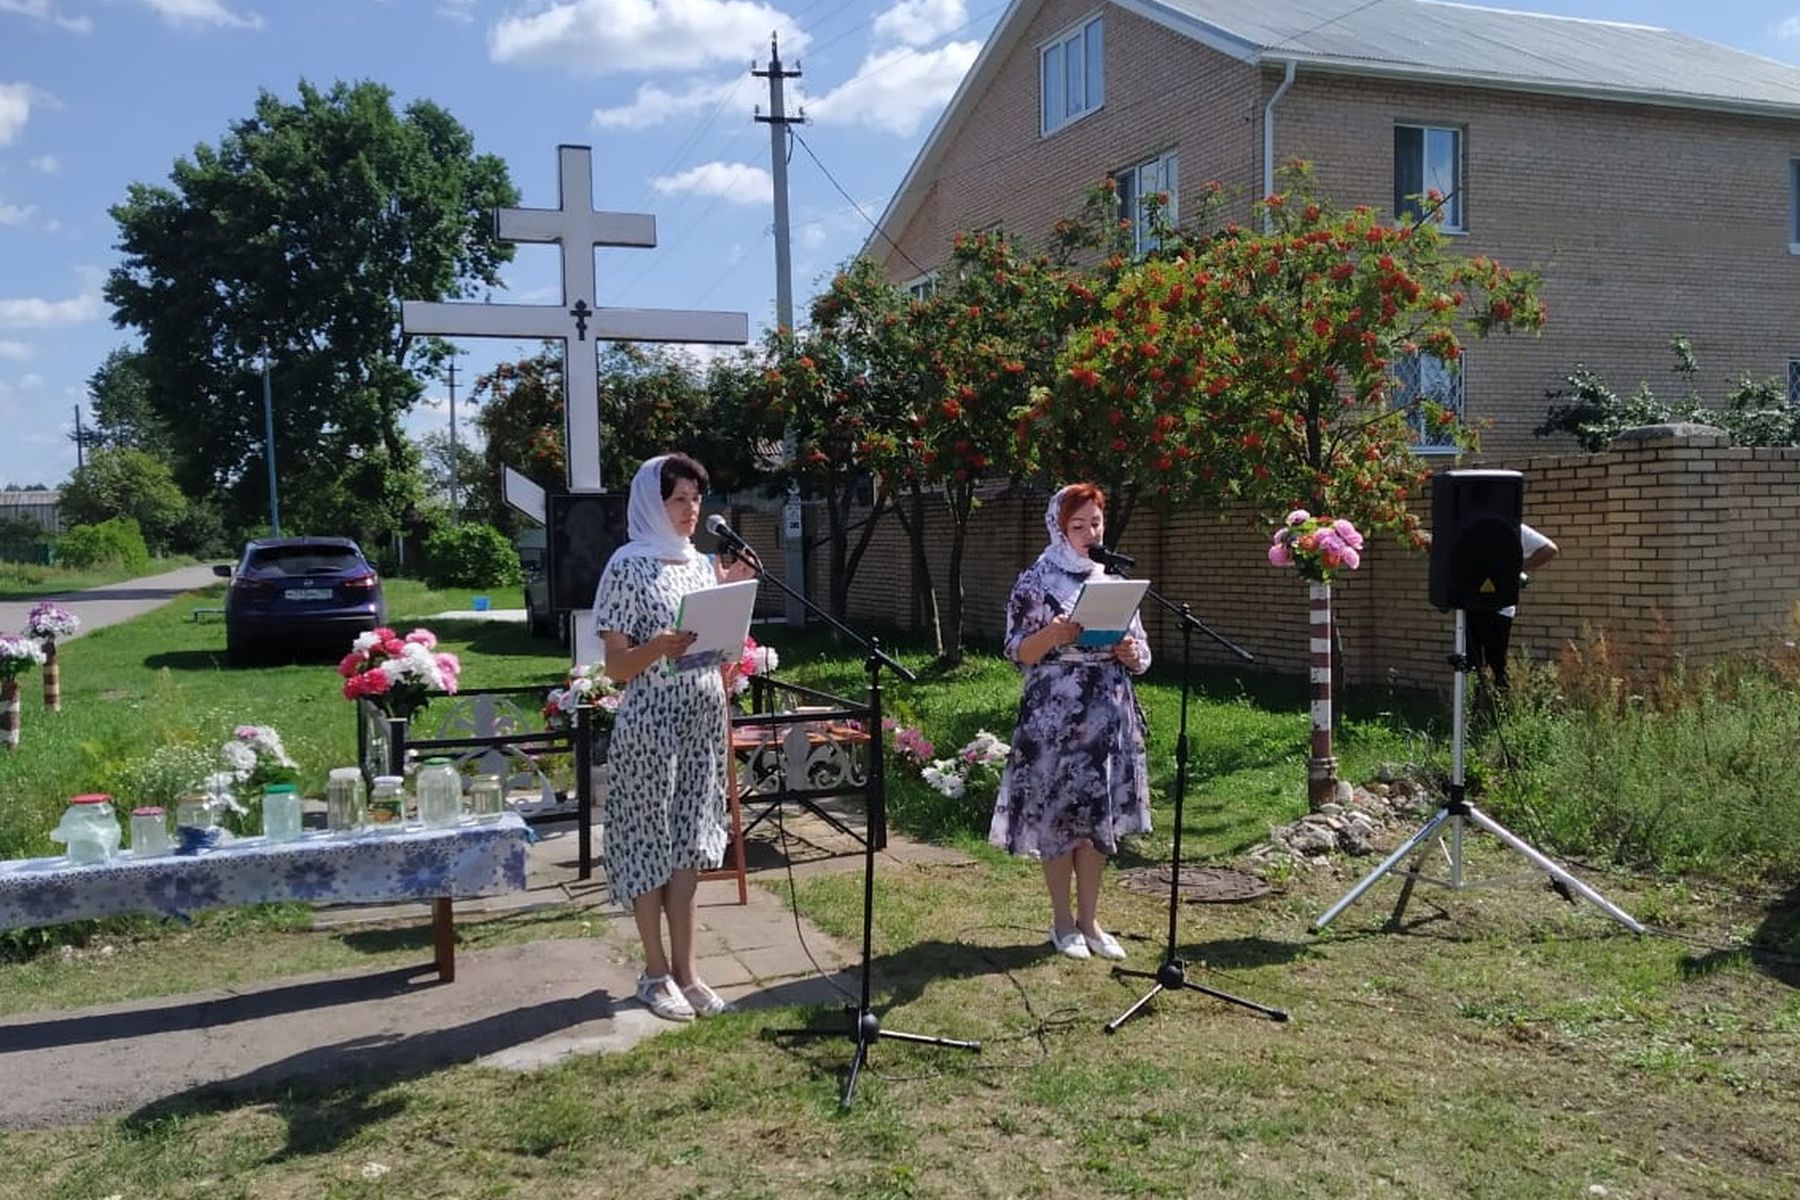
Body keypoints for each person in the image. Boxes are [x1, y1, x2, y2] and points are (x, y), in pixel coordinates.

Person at [593, 452, 756, 1021]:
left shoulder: (699, 564)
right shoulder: (627, 566)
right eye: (679, 499)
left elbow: (714, 646)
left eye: (696, 499)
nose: (692, 510)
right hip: (650, 729)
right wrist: (656, 647)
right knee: (649, 846)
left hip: (700, 724)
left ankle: (689, 972)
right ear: (652, 503)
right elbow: (616, 667)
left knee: (689, 841)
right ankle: (655, 972)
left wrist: (733, 596)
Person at [989, 483, 1152, 961]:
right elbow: (1017, 650)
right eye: (1078, 525)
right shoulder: (1035, 580)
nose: (1089, 533)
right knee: (1060, 817)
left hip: (1108, 714)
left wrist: (1131, 652)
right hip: (1055, 718)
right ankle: (1062, 922)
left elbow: (1142, 652)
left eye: (1095, 523)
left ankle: (1090, 920)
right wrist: (1054, 634)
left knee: (1097, 819)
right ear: (1058, 528)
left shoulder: (1113, 581)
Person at [1465, 522, 1559, 692]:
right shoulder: (1469, 524)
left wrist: (1512, 568)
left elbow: (1549, 549)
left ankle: (1498, 705)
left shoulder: (1511, 526)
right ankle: (1472, 705)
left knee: (1496, 665)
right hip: (1470, 604)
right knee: (1471, 665)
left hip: (1499, 608)